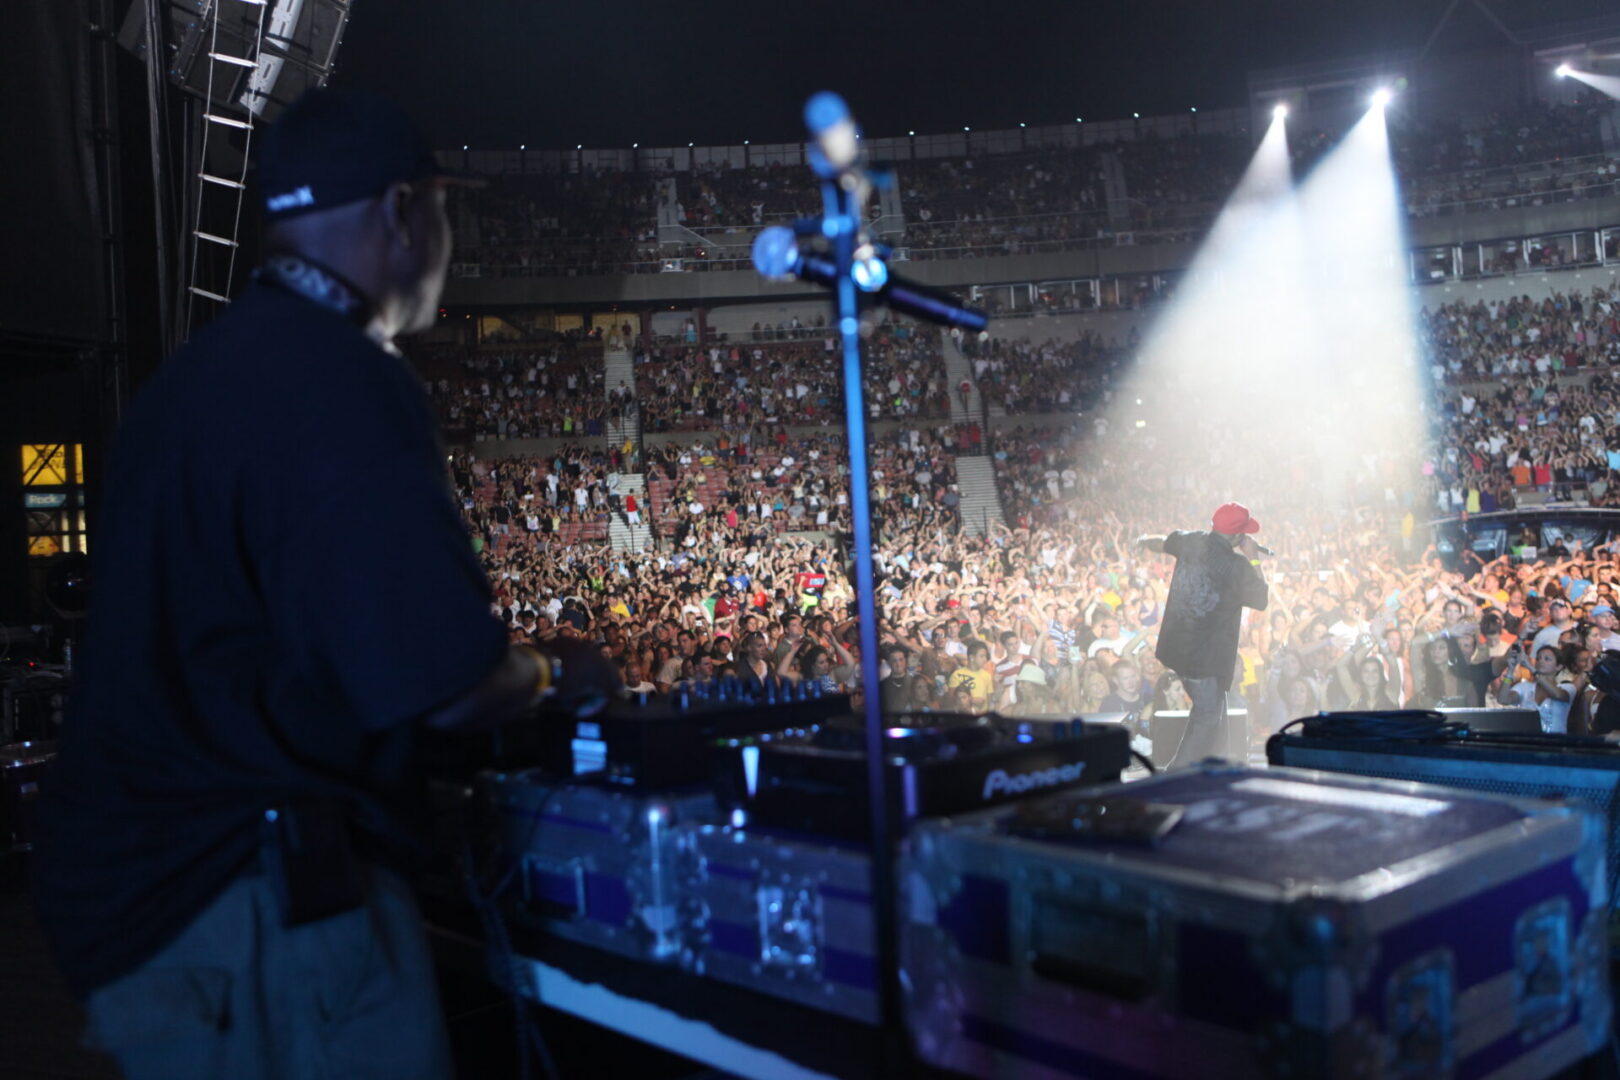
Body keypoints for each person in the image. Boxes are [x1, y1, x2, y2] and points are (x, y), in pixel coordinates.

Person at [32, 89, 620, 1080]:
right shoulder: (341, 377)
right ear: (399, 211)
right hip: (253, 900)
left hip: (147, 903)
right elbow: (445, 681)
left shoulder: (191, 379)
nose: (448, 236)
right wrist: (561, 676)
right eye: (444, 208)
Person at [1137, 502, 1269, 767]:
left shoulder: (1191, 540)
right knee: (1207, 717)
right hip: (1204, 661)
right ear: (1237, 535)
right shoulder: (1237, 567)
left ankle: (1213, 768)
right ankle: (1174, 779)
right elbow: (1261, 598)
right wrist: (1253, 556)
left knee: (1213, 714)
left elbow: (1162, 542)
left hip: (1178, 651)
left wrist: (1141, 539)